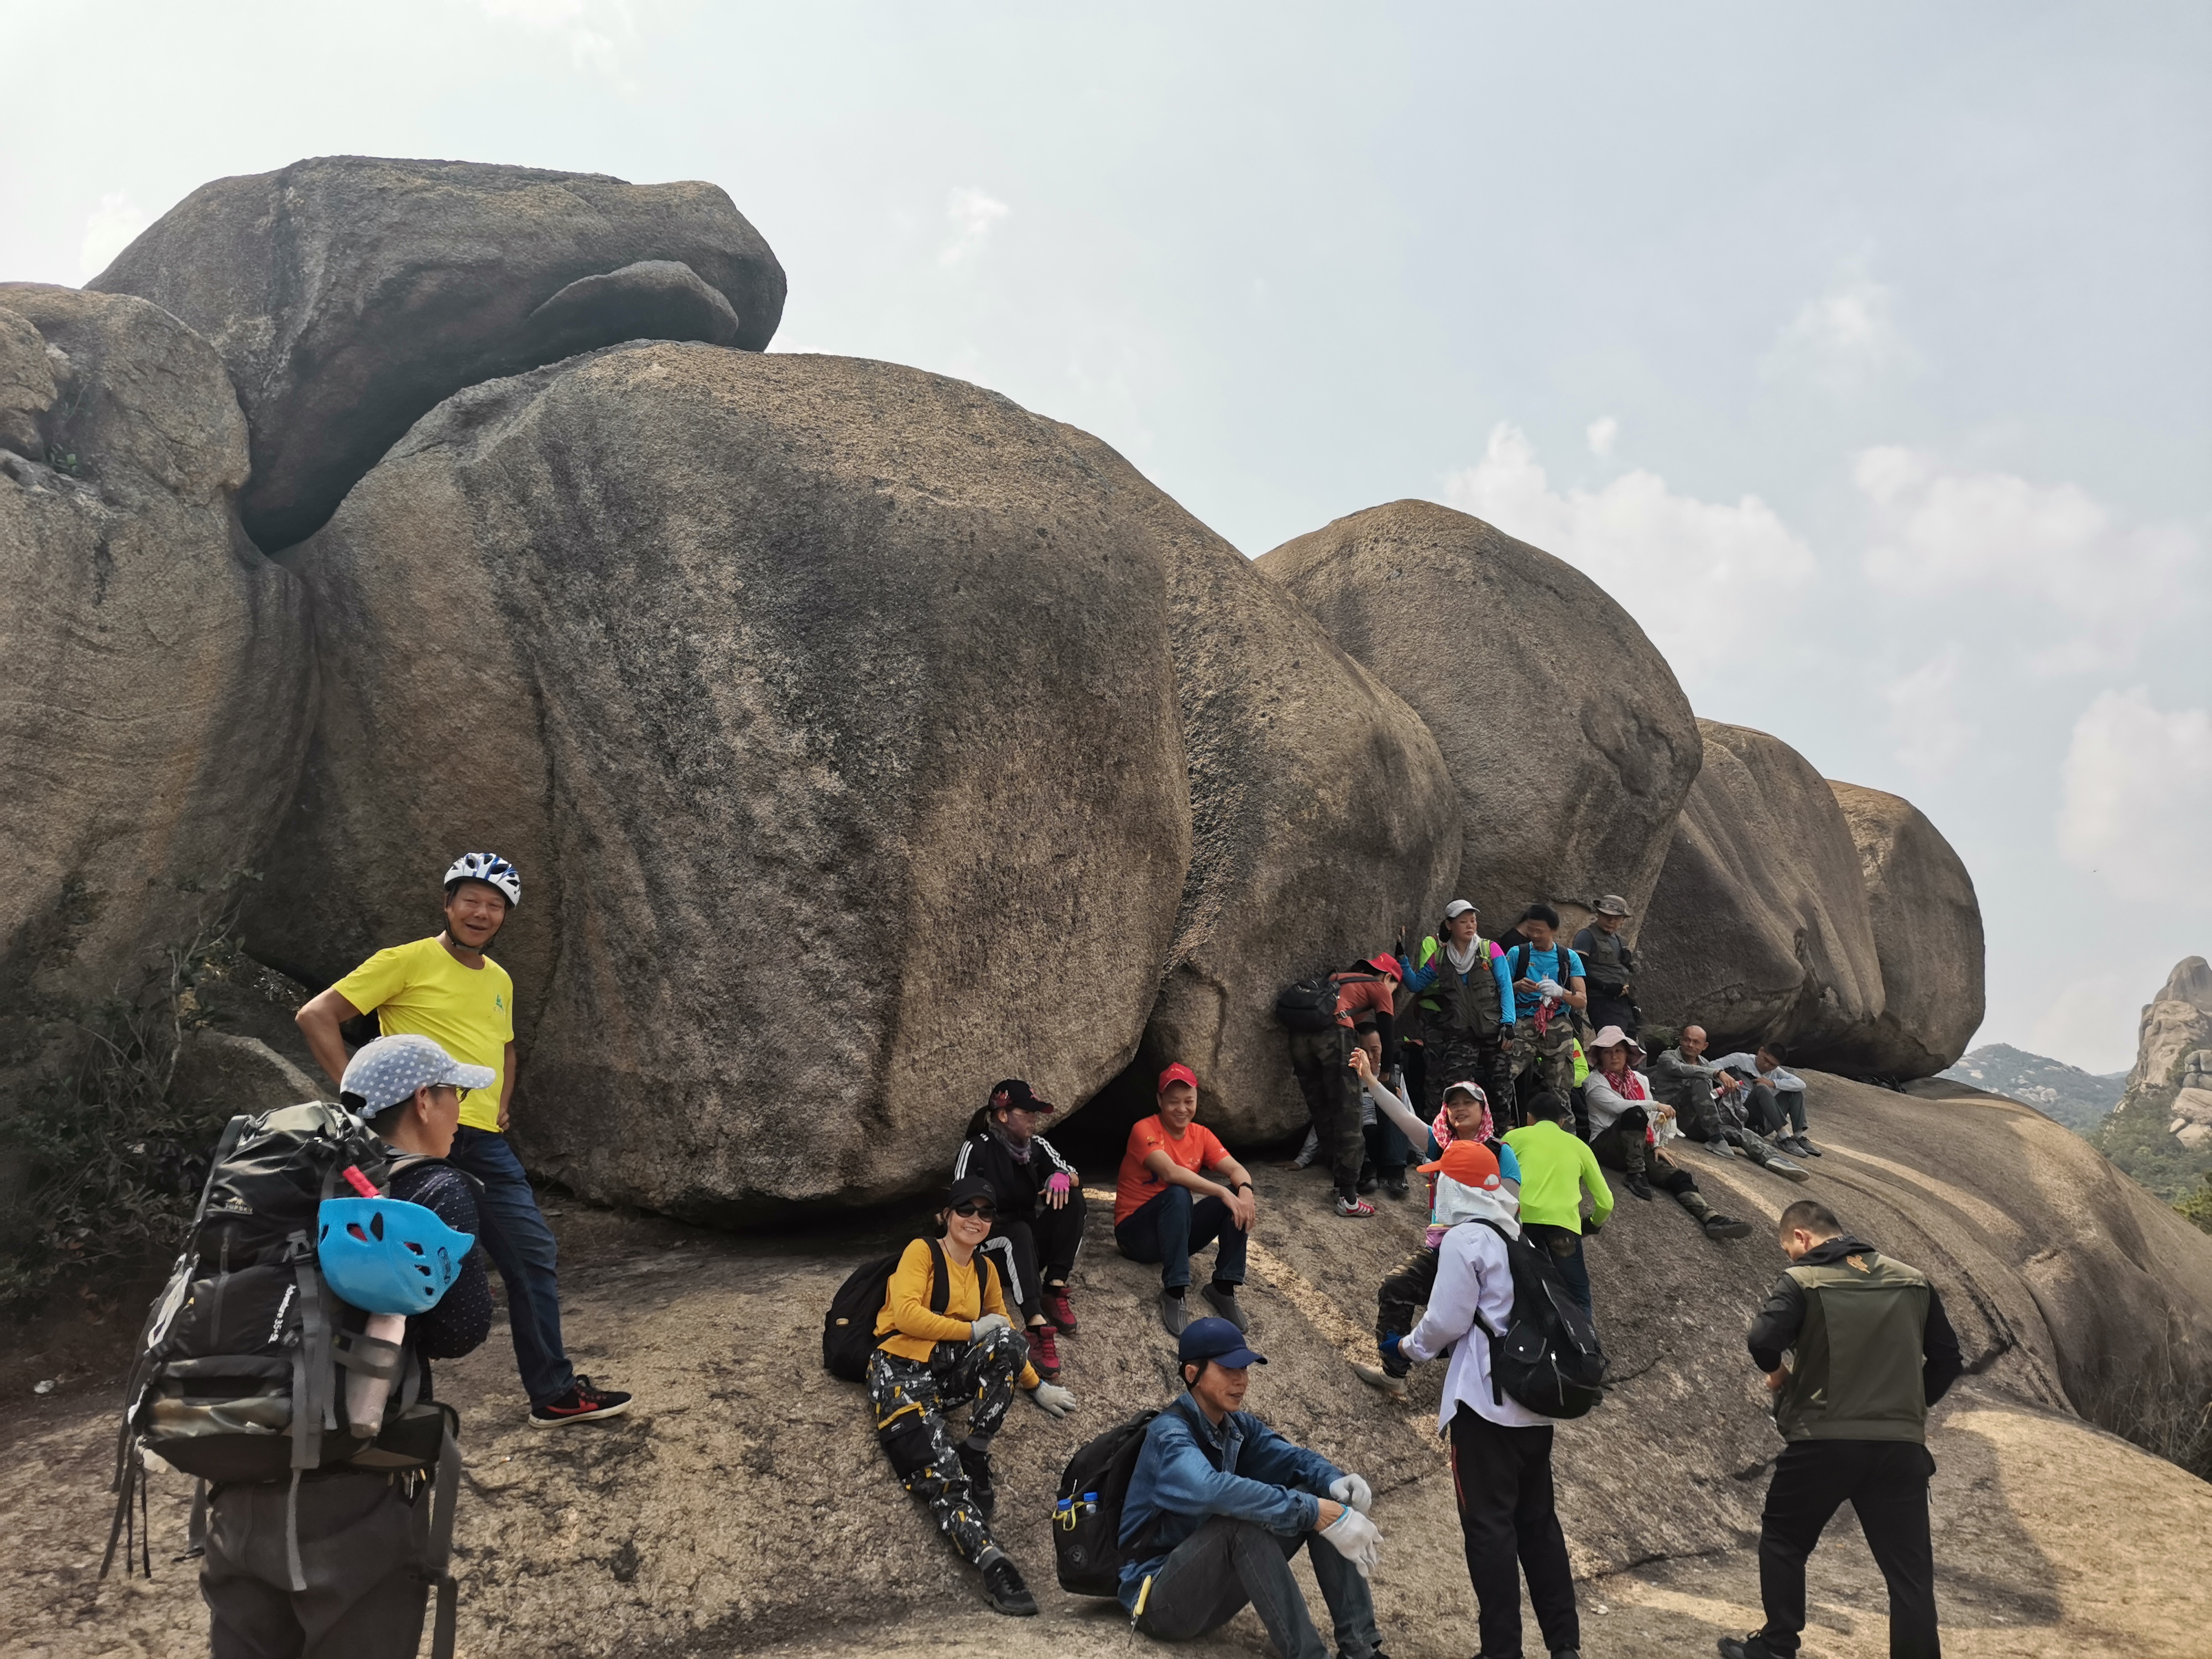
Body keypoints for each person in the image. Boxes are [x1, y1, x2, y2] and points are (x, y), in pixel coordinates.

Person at [296, 853, 631, 1428]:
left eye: (495, 905)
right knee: (390, 1269)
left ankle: (552, 1393)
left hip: (478, 1138)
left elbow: (503, 1044)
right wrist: (360, 1099)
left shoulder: (498, 979)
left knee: (531, 1255)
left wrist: (501, 1098)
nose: (481, 912)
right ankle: (364, 1408)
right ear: (447, 904)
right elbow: (316, 1015)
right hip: (409, 1140)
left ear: (505, 917)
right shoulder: (404, 961)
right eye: (471, 899)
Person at [201, 1034, 494, 1659]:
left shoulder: (287, 1180)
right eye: (456, 1096)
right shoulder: (435, 1189)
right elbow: (459, 1332)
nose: (459, 1112)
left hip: (235, 1465)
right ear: (424, 1100)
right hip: (352, 1488)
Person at [1720, 1200, 1963, 1659]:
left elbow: (1762, 1340)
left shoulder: (1803, 1280)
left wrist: (1776, 1376)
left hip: (1822, 1442)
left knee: (1784, 1540)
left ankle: (1777, 1646)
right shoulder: (1913, 1280)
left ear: (1803, 1238)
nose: (1791, 1257)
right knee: (1909, 1574)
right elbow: (1948, 1359)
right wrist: (1909, 1406)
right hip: (1899, 1448)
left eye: (1789, 1248)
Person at [1386, 1140, 1583, 1659]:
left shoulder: (1466, 1239)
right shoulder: (1517, 1236)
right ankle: (1565, 1645)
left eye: (1440, 1179)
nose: (1435, 1187)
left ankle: (1501, 1651)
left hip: (1485, 1407)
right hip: (1534, 1408)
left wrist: (1406, 1347)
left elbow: (1447, 1321)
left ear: (1455, 1186)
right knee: (1539, 1527)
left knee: (1489, 1531)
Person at [868, 1174, 1078, 1619]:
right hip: (900, 1369)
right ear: (946, 1215)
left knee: (1007, 1341)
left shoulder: (984, 1269)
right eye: (967, 1209)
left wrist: (1035, 1384)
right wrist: (969, 1330)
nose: (976, 1219)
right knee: (940, 1474)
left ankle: (977, 1448)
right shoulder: (921, 1252)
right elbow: (905, 1314)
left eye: (986, 1212)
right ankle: (994, 1564)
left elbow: (1002, 1331)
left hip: (945, 1373)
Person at [1119, 1317, 1387, 1659]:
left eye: (1244, 1369)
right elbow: (1213, 1490)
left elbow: (1294, 1459)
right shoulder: (1169, 1436)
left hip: (1213, 1594)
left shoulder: (1235, 1426)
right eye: (1229, 1369)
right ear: (1192, 1374)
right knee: (1241, 1522)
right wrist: (1314, 1512)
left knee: (1317, 1493)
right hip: (1159, 1601)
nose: (1241, 1380)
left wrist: (1333, 1481)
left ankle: (1360, 1650)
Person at [1348, 1063, 1523, 1399]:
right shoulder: (1440, 1146)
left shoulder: (1501, 1152)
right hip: (1443, 1250)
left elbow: (1509, 1208)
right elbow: (1401, 1116)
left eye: (1468, 1102)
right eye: (1453, 1103)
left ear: (1483, 1109)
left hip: (1484, 1253)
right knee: (1396, 1286)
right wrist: (1370, 1080)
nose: (1459, 1108)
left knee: (1480, 1321)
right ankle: (1393, 1373)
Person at [952, 1078, 1085, 1379]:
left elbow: (1072, 1174)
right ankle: (1036, 1325)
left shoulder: (1035, 1147)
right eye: (1027, 1113)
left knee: (1073, 1199)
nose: (1034, 1119)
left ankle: (1054, 1286)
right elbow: (956, 1203)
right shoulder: (977, 1149)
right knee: (1019, 1232)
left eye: (1035, 1114)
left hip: (1025, 1249)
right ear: (1003, 1115)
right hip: (985, 1253)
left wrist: (1062, 1178)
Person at [1115, 1063, 1259, 1337]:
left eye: (1188, 1101)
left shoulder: (1201, 1134)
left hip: (1173, 1233)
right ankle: (1174, 1290)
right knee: (1180, 1192)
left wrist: (1245, 1192)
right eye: (1173, 1102)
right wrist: (1222, 1191)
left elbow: (1236, 1169)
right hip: (1136, 1236)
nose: (1182, 1109)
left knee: (1233, 1200)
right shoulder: (1143, 1129)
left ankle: (1223, 1287)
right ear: (1159, 1101)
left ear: (1197, 1100)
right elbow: (1170, 1172)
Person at [1582, 1026, 1752, 1240]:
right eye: (1607, 1052)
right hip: (1607, 1144)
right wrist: (1655, 1105)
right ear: (1600, 1056)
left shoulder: (1639, 1079)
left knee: (1678, 1176)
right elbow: (1619, 1106)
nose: (1614, 1056)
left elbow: (1651, 1118)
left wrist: (1657, 1145)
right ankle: (1636, 1175)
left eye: (1618, 1051)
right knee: (1634, 1114)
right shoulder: (1594, 1081)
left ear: (1627, 1054)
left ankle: (1711, 1217)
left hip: (1639, 1145)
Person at [1284, 954, 1401, 1217]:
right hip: (1334, 1036)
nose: (1393, 993)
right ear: (1389, 977)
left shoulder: (1338, 979)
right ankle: (1349, 1198)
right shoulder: (1381, 987)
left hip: (1299, 1038)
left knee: (1322, 1110)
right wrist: (1385, 1076)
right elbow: (1387, 1035)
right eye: (1396, 987)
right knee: (1348, 1112)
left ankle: (1340, 1186)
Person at [1402, 899, 1518, 1128]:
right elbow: (1416, 985)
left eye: (1473, 920)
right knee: (1457, 1088)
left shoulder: (1489, 949)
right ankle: (1459, 1138)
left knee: (1500, 1088)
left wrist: (1508, 1023)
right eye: (1463, 921)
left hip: (1494, 1031)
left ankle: (1502, 1138)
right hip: (1460, 1034)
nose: (1470, 925)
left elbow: (1506, 986)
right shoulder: (1441, 958)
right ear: (1449, 925)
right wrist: (1402, 960)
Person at [1649, 1026, 1809, 1182]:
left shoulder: (1704, 1062)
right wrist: (1718, 1073)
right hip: (1672, 1115)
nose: (1690, 1045)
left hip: (1697, 1122)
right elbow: (1684, 1070)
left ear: (1705, 1046)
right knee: (1698, 1079)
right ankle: (1716, 1138)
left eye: (1696, 1042)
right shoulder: (1667, 1057)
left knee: (1741, 1133)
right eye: (1687, 1040)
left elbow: (1707, 1093)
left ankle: (1774, 1159)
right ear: (1681, 1040)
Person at [1503, 1090, 1610, 1315]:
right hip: (1563, 1226)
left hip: (1521, 1223)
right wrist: (1591, 1224)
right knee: (1578, 1295)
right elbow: (1606, 1202)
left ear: (1529, 1117)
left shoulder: (1512, 1138)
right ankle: (1585, 1346)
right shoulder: (1580, 1147)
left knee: (1520, 1287)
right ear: (1562, 1121)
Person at [1503, 906, 1587, 1126]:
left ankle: (1566, 1143)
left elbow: (1581, 1000)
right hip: (1523, 1022)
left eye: (1540, 931)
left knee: (1560, 1091)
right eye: (1531, 930)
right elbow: (1497, 991)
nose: (1535, 936)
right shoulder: (1517, 953)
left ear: (1555, 930)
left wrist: (1561, 992)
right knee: (1502, 1078)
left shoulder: (1568, 958)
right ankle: (1498, 1132)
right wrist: (1517, 986)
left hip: (1557, 1023)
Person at [1711, 1041, 1820, 1157]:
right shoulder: (1740, 1059)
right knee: (1761, 1089)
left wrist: (1772, 1083)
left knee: (1795, 1093)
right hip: (1741, 1116)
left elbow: (1801, 1084)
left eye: (1773, 1065)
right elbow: (1712, 1065)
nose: (1767, 1066)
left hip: (1764, 1122)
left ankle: (1798, 1137)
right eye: (1766, 1060)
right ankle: (1784, 1137)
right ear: (1761, 1051)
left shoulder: (1775, 1073)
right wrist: (1724, 1076)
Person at [1572, 895, 1640, 1037]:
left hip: (1622, 1000)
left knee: (1632, 1042)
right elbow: (1578, 970)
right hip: (1601, 1000)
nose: (1611, 921)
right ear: (1599, 914)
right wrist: (1604, 987)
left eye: (1616, 918)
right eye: (1607, 916)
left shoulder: (1621, 941)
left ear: (1623, 920)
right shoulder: (1586, 936)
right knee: (1612, 1042)